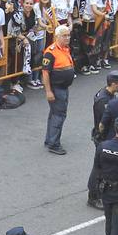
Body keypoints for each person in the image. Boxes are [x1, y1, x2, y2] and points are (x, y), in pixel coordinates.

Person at [89, 71, 118, 207]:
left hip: (103, 136)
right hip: (103, 138)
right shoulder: (104, 100)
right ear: (114, 84)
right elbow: (103, 124)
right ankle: (93, 196)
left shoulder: (107, 95)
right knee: (99, 168)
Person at [42, 25, 76, 155]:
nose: (67, 38)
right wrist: (48, 91)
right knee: (59, 115)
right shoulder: (50, 52)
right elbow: (45, 73)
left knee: (54, 114)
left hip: (63, 87)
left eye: (68, 35)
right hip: (57, 88)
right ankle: (54, 144)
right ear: (57, 37)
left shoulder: (65, 49)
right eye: (64, 35)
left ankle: (50, 139)